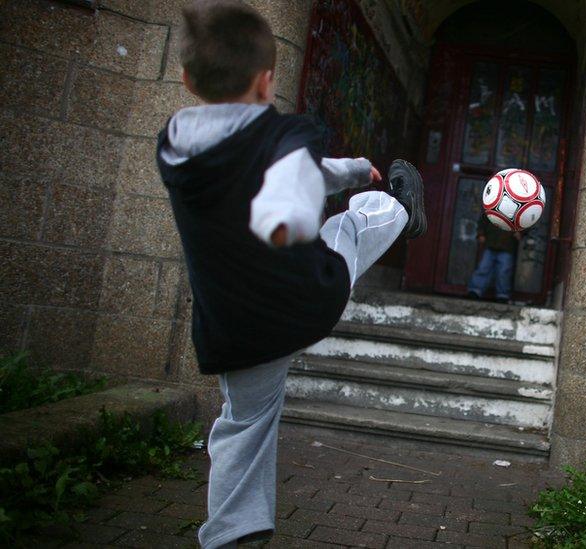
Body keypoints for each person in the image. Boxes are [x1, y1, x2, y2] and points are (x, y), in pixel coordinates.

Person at [155, 2, 426, 547]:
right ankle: (402, 209)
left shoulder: (175, 150)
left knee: (243, 422)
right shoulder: (283, 140)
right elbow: (292, 186)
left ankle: (233, 532)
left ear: (185, 79)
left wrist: (348, 169)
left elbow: (297, 172)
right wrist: (288, 218)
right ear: (266, 81)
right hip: (303, 299)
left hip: (235, 329)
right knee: (352, 225)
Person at [467, 215, 521, 303]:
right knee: (483, 268)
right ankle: (475, 291)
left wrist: (521, 233)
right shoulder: (494, 206)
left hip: (507, 245)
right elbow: (484, 220)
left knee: (504, 272)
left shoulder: (516, 210)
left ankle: (503, 295)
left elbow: (525, 221)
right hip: (491, 243)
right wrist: (481, 233)